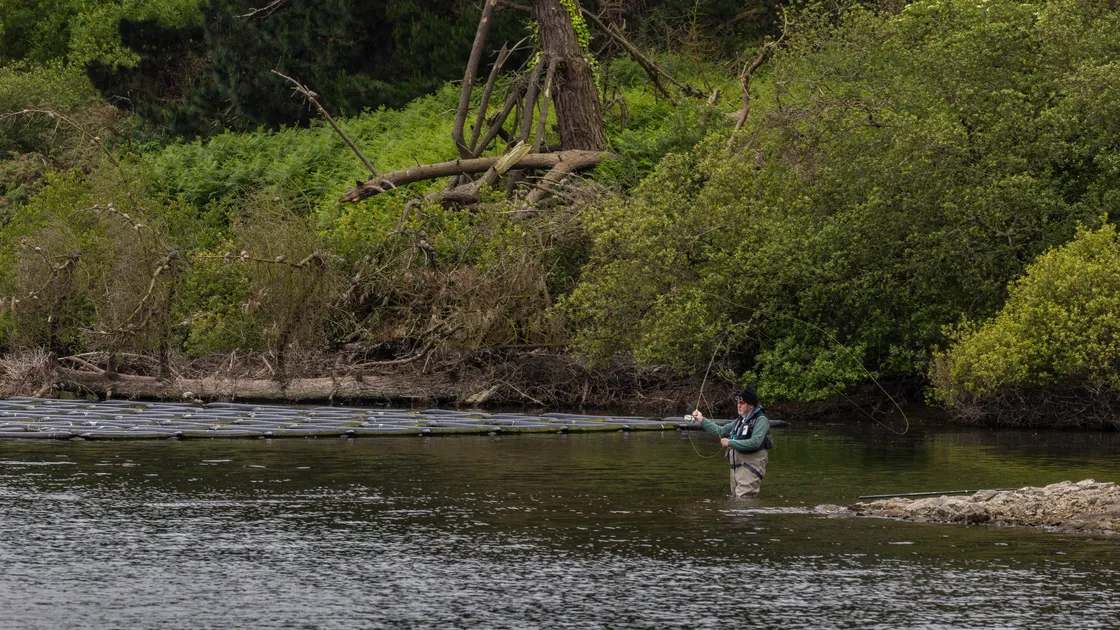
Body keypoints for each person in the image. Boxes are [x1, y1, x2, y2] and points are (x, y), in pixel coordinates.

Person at [691, 386, 772, 497]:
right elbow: (721, 431)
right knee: (736, 499)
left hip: (751, 466)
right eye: (738, 402)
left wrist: (730, 443)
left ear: (751, 406)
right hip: (737, 467)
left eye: (742, 403)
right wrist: (701, 419)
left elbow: (755, 442)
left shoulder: (761, 420)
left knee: (744, 500)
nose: (738, 405)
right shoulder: (740, 420)